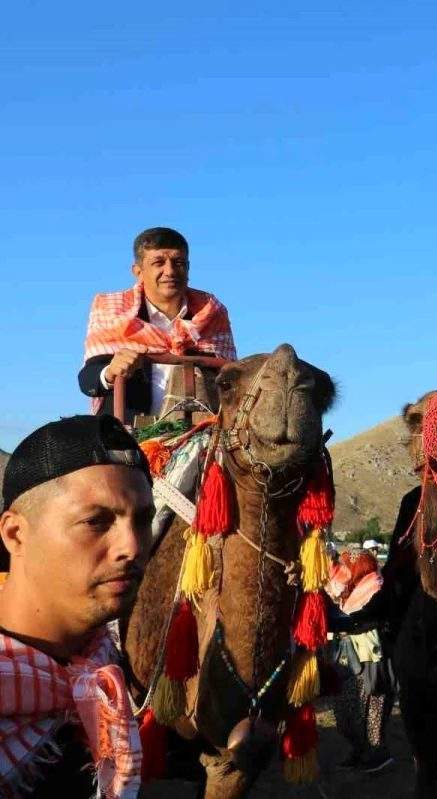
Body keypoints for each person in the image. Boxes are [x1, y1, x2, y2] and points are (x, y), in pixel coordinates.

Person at [0, 415, 154, 798]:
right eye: (96, 521)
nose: (132, 547)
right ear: (15, 534)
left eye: (143, 520)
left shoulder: (100, 664)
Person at [79, 227, 237, 421]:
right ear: (138, 271)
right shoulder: (113, 310)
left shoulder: (212, 313)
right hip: (128, 440)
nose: (170, 271)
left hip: (202, 437)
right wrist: (111, 371)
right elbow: (88, 378)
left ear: (188, 268)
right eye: (158, 262)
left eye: (178, 262)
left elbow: (233, 379)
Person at [325, 549, 394, 774]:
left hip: (371, 659)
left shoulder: (375, 586)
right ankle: (358, 749)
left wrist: (348, 624)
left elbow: (373, 619)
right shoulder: (348, 591)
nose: (344, 573)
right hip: (349, 656)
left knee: (372, 707)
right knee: (346, 708)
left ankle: (377, 755)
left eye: (348, 568)